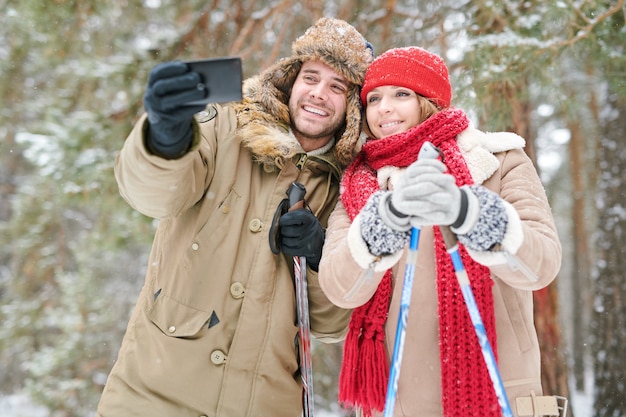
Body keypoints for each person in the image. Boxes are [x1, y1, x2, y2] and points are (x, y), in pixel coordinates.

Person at [96, 17, 374, 417]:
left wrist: (319, 259)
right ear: (290, 80)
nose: (319, 94)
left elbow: (331, 326)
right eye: (311, 77)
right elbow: (153, 195)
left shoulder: (349, 190)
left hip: (265, 405)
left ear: (351, 104)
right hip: (153, 396)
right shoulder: (224, 127)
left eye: (337, 86)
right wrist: (166, 138)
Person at [318, 47, 563, 417]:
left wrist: (468, 211)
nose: (384, 108)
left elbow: (540, 265)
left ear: (429, 101)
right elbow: (341, 288)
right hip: (397, 404)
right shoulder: (360, 185)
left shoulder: (498, 161)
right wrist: (389, 218)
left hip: (497, 395)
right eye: (374, 98)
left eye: (401, 94)